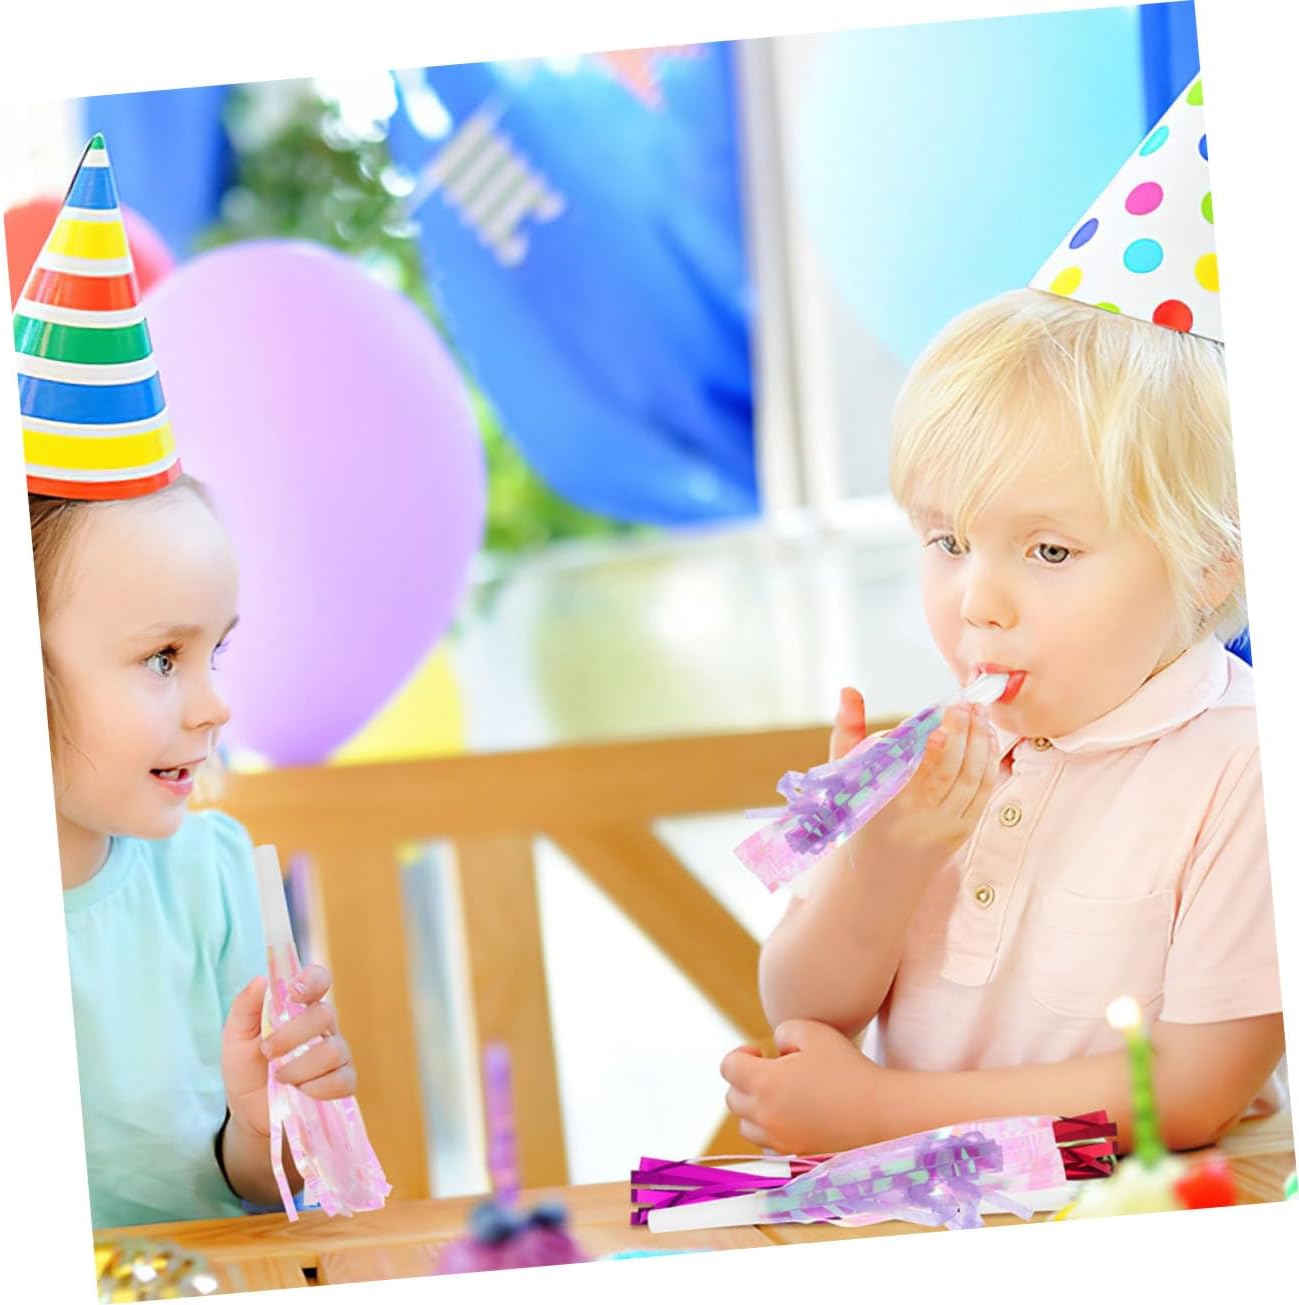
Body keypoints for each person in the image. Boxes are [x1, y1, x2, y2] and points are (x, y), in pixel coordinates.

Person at [721, 75, 1283, 1159]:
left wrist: (875, 1114)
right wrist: (883, 863)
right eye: (947, 540)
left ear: (1211, 562)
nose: (977, 599)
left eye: (1050, 550)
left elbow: (1194, 1090)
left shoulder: (1246, 764)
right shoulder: (938, 761)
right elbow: (800, 1006)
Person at [18, 135, 357, 1228]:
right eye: (163, 658)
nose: (215, 704)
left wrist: (262, 1130)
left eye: (218, 651)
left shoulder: (210, 879)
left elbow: (254, 1196)